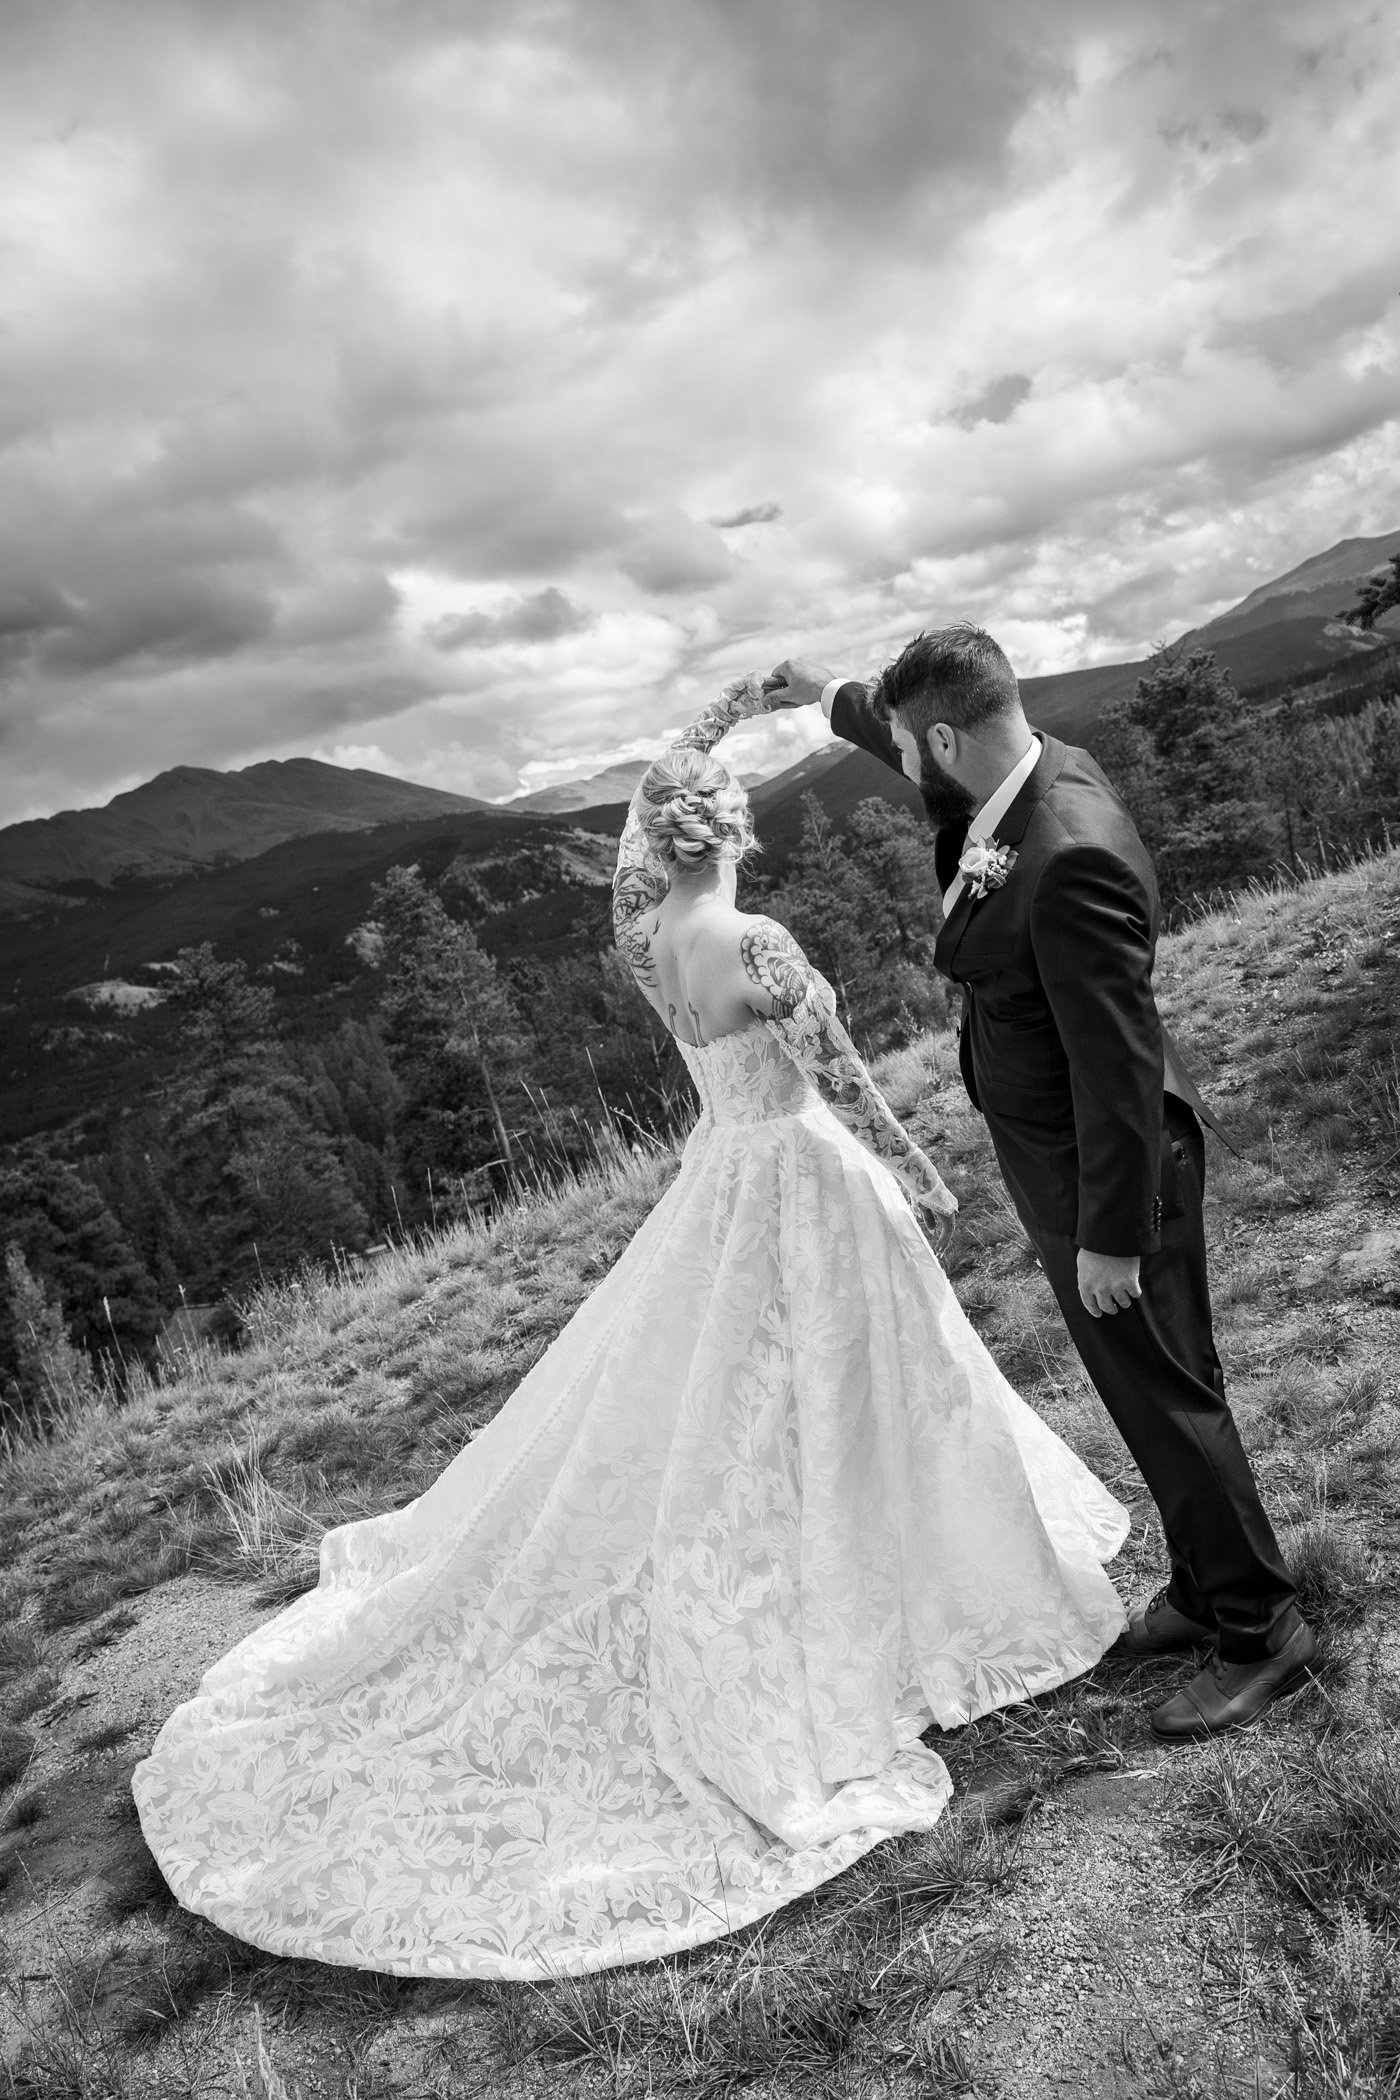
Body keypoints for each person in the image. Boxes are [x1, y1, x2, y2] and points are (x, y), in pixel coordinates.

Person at [132, 670, 1129, 1982]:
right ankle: (900, 1580)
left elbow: (638, 849)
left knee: (758, 1402)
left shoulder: (644, 938)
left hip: (721, 1178)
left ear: (657, 840)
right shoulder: (758, 945)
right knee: (863, 1385)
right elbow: (841, 1082)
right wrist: (923, 1173)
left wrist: (726, 712)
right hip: (806, 1178)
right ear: (738, 830)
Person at [766, 626, 1314, 1738]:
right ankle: (1204, 1586)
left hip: (1103, 1173)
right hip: (1062, 1157)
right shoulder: (1018, 766)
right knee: (1146, 1386)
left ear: (944, 742)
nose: (902, 764)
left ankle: (1263, 1631)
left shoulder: (1066, 857)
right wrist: (822, 691)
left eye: (908, 748)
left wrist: (1112, 1234)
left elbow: (1118, 1067)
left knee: (1168, 1392)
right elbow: (902, 731)